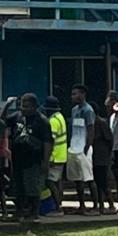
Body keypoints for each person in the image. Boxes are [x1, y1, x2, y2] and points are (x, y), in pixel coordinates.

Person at [7, 93, 53, 225]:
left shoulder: (42, 121)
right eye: (21, 105)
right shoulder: (18, 117)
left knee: (33, 188)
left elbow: (47, 142)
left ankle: (34, 214)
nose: (23, 109)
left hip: (34, 160)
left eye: (26, 106)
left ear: (34, 107)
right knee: (18, 188)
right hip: (18, 159)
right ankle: (20, 212)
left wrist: (46, 161)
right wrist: (7, 106)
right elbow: (3, 120)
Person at [68, 85, 99, 215]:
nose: (73, 96)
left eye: (75, 94)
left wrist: (87, 146)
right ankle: (82, 206)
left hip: (83, 148)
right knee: (77, 179)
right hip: (74, 147)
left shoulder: (88, 110)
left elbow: (91, 129)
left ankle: (95, 206)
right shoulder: (74, 110)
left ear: (83, 94)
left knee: (88, 178)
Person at [44, 96, 69, 216]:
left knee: (50, 182)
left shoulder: (53, 121)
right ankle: (59, 205)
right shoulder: (60, 117)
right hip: (61, 155)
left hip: (54, 157)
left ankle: (57, 208)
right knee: (58, 182)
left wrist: (47, 159)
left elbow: (50, 141)